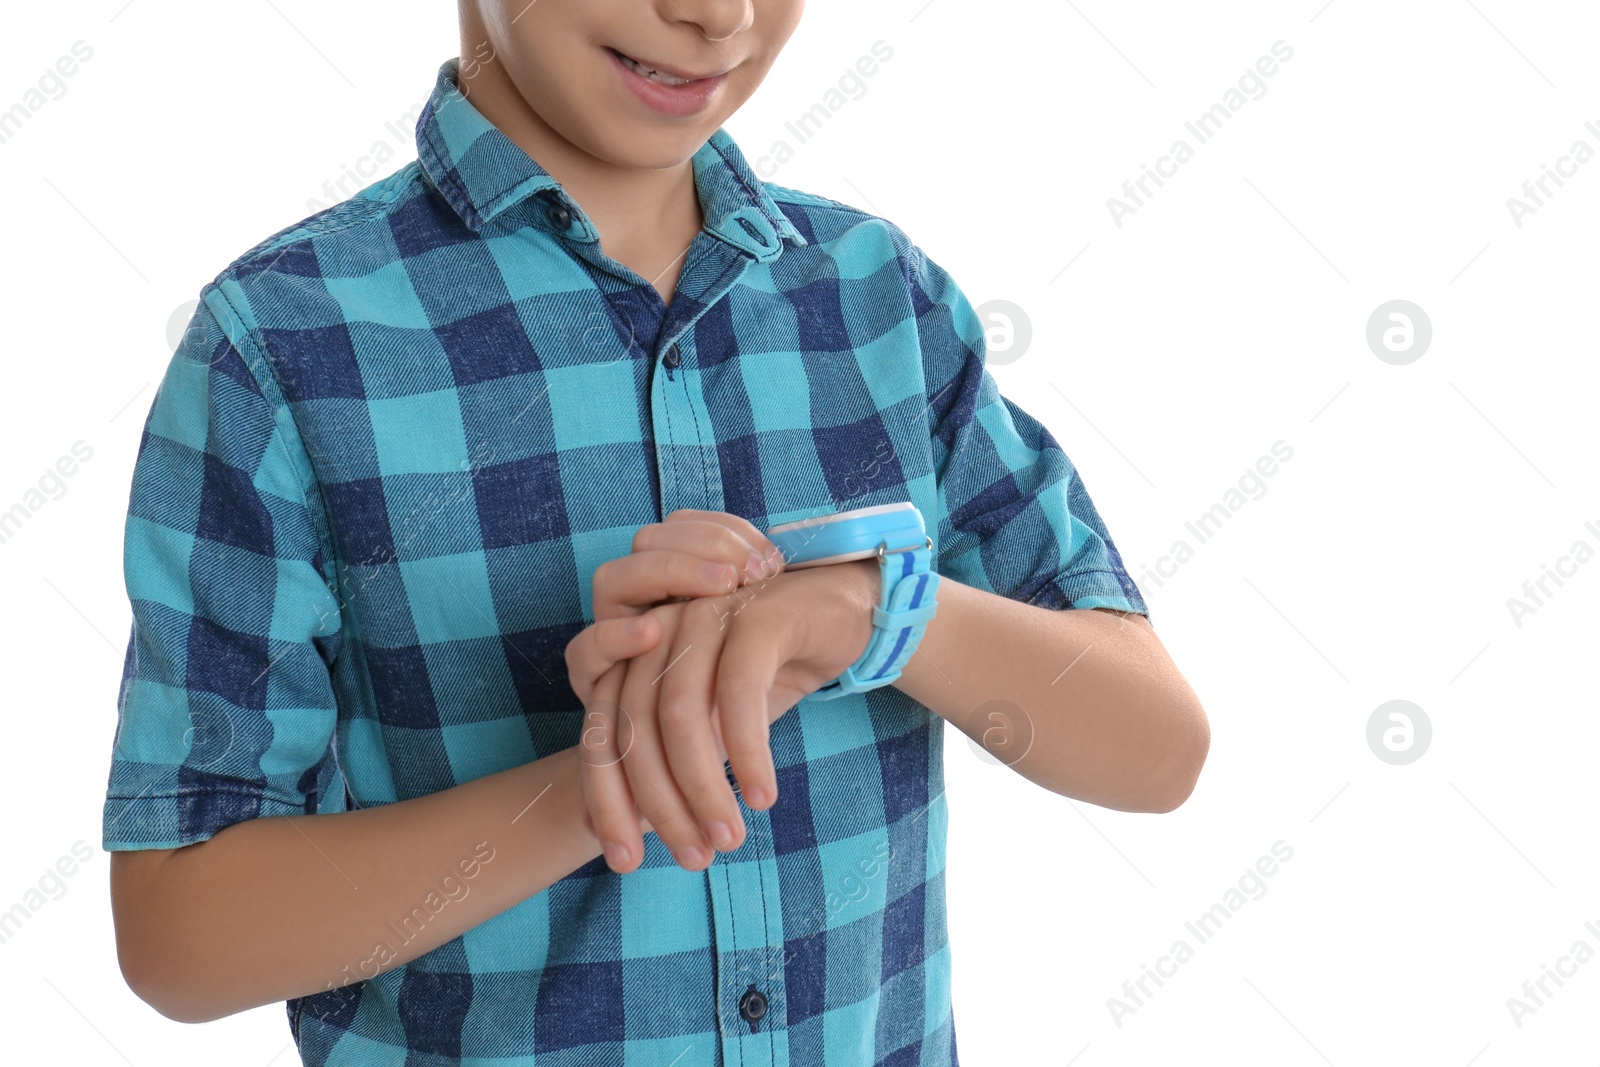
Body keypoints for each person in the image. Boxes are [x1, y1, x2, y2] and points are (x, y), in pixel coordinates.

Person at [101, 2, 1210, 1063]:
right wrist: (620, 772)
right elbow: (181, 935)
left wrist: (870, 610)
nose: (717, 14)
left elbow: (1157, 746)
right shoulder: (284, 346)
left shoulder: (880, 299)